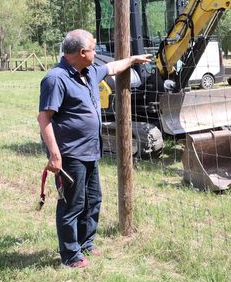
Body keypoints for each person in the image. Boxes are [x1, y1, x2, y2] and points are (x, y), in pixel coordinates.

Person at [38, 29, 152, 268]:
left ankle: (85, 244)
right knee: (72, 204)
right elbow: (44, 118)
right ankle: (70, 255)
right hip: (70, 154)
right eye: (93, 48)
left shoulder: (88, 72)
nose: (96, 52)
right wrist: (54, 154)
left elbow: (111, 67)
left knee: (93, 200)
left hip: (90, 150)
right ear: (81, 52)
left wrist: (132, 60)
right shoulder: (56, 79)